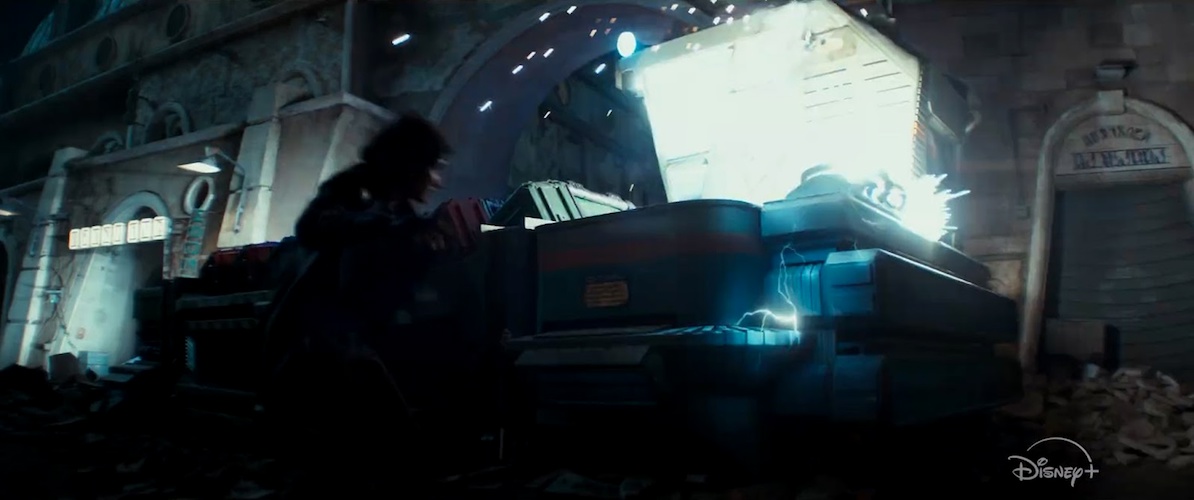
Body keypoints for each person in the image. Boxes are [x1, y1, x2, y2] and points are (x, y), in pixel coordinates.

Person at [261, 113, 452, 497]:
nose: (437, 180)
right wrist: (377, 224)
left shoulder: (404, 214)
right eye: (432, 168)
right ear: (410, 164)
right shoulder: (354, 188)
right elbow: (312, 228)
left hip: (357, 335)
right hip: (317, 336)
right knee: (380, 443)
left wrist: (426, 247)